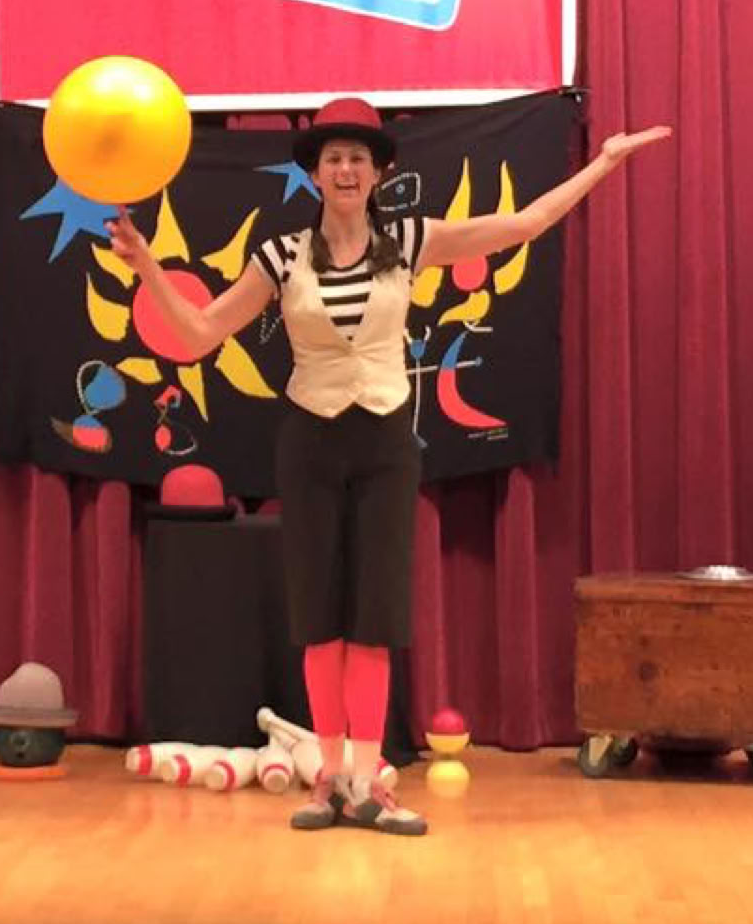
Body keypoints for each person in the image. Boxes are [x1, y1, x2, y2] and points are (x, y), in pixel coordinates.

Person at [115, 96, 670, 835]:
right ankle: (330, 781)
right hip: (309, 441)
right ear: (316, 173)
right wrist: (148, 267)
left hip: (383, 442)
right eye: (333, 158)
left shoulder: (409, 239)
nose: (345, 169)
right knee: (319, 615)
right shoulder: (281, 255)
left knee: (373, 614)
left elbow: (525, 224)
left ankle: (369, 782)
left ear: (378, 172)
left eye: (358, 158)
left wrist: (602, 163)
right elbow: (199, 333)